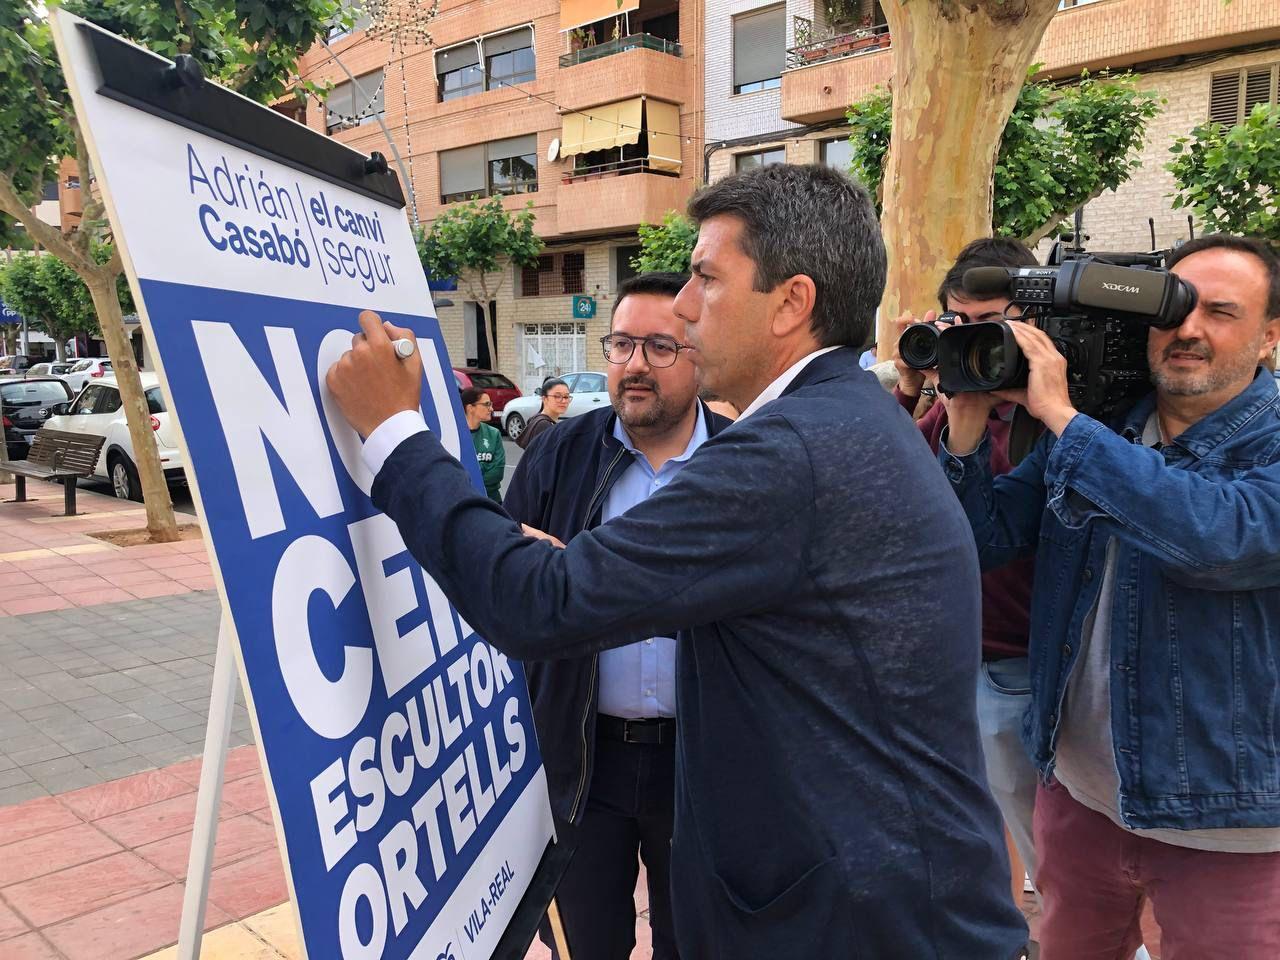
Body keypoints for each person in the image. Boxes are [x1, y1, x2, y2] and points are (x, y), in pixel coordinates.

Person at [326, 164, 1028, 958]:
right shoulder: (845, 418)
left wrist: (394, 433)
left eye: (706, 278)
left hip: (856, 923)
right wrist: (602, 573)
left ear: (791, 303)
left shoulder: (790, 452)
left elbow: (536, 603)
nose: (685, 306)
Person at [939, 234, 1280, 960]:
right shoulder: (1110, 427)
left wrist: (1063, 418)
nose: (1187, 330)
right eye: (1173, 311)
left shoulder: (1260, 446)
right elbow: (981, 543)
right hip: (1079, 798)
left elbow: (1214, 539)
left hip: (1227, 820)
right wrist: (964, 433)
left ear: (1270, 335)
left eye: (1221, 312)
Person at [504, 272, 732, 960]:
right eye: (622, 345)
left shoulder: (742, 461)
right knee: (587, 942)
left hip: (704, 762)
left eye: (660, 347)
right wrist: (538, 573)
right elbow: (506, 582)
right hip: (582, 759)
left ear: (699, 356)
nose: (635, 364)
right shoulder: (560, 452)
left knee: (697, 942)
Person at [892, 237, 1044, 896]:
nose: (979, 342)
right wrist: (910, 390)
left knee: (1056, 851)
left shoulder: (1055, 414)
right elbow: (884, 481)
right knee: (975, 832)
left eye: (993, 324)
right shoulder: (952, 406)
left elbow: (991, 531)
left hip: (1027, 661)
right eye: (962, 324)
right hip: (957, 657)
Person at [460, 386, 505, 502]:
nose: (491, 409)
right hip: (464, 500)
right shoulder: (456, 435)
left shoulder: (494, 434)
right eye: (487, 404)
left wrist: (471, 482)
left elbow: (498, 472)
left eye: (491, 404)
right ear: (470, 408)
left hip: (492, 500)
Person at [518, 377, 570, 450]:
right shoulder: (543, 425)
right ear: (544, 399)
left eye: (566, 397)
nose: (563, 401)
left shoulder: (537, 419)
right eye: (557, 396)